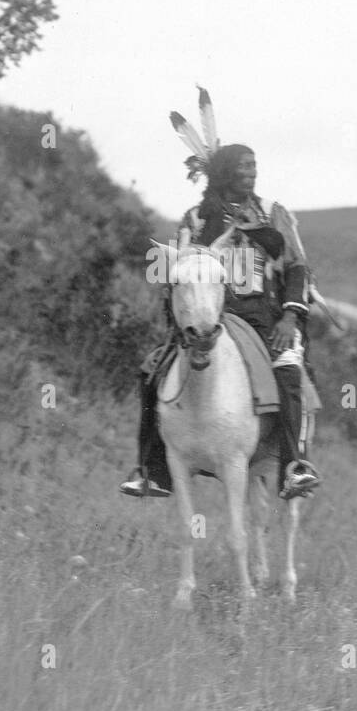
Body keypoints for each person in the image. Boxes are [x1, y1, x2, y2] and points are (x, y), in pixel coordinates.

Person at [120, 142, 323, 500]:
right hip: (207, 313)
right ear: (226, 173)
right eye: (244, 167)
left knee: (288, 369)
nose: (252, 173)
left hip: (262, 316)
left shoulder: (272, 213)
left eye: (254, 166)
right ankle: (153, 471)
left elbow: (296, 267)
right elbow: (180, 267)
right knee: (152, 371)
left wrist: (289, 316)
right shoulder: (197, 218)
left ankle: (294, 466)